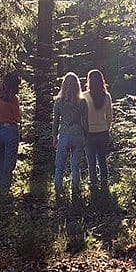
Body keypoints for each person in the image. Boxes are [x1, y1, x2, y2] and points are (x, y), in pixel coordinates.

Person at [52, 72, 88, 200]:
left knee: (59, 165)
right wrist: (86, 136)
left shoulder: (59, 101)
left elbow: (56, 121)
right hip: (78, 134)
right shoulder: (82, 102)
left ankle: (57, 190)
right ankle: (75, 190)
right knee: (75, 166)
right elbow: (85, 122)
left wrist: (54, 137)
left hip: (64, 135)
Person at [82, 69, 112, 195]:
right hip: (103, 130)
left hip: (89, 132)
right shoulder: (107, 96)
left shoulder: (84, 96)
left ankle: (93, 183)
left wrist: (84, 130)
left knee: (91, 160)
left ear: (89, 81)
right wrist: (107, 128)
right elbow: (109, 116)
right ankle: (104, 181)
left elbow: (82, 116)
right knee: (102, 158)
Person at [0, 71, 21, 200]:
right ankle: (5, 193)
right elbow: (18, 118)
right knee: (9, 163)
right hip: (11, 131)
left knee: (0, 162)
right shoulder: (13, 100)